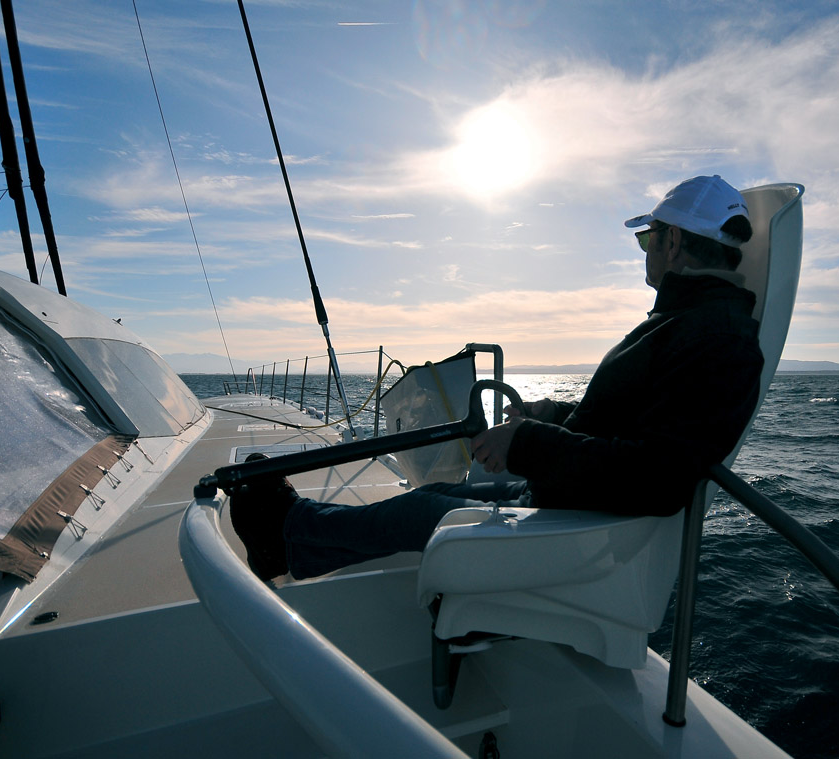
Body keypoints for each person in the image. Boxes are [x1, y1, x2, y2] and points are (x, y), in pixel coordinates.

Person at [229, 175, 765, 581]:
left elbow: (656, 475)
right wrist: (551, 416)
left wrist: (527, 443)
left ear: (673, 242)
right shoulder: (692, 325)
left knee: (421, 511)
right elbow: (631, 424)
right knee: (440, 490)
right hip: (569, 503)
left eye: (648, 241)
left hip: (581, 532)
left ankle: (288, 530)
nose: (645, 254)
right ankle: (295, 537)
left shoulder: (715, 339)